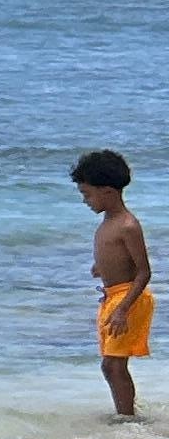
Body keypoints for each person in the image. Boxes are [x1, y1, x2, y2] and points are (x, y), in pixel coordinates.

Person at [75, 155, 151, 418]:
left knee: (113, 365)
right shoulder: (107, 222)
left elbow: (143, 272)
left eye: (87, 194)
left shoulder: (128, 226)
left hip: (128, 300)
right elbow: (119, 259)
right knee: (110, 365)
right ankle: (126, 413)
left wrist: (122, 310)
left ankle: (127, 417)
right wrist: (102, 269)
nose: (85, 201)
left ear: (107, 192)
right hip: (112, 297)